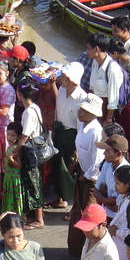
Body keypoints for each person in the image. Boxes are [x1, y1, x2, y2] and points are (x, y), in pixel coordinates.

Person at [50, 62, 87, 209]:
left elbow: (81, 124)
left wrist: (77, 147)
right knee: (57, 167)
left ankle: (72, 205)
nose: (61, 78)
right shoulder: (62, 92)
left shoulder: (82, 98)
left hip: (72, 136)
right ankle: (59, 198)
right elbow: (58, 112)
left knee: (68, 170)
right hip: (60, 133)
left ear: (72, 79)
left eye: (64, 76)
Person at [11, 80, 46, 229]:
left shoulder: (28, 112)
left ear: (20, 94)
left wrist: (15, 150)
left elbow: (25, 135)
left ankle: (39, 219)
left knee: (33, 184)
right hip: (36, 149)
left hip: (30, 151)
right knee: (34, 182)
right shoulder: (35, 108)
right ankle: (37, 214)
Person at [93, 133, 130, 221]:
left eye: (107, 151)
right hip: (105, 214)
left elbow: (117, 206)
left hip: (120, 220)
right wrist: (107, 200)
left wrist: (103, 199)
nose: (104, 153)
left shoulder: (126, 172)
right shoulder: (107, 164)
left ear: (118, 153)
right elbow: (95, 190)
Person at [0, 60, 16, 153]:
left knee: (5, 152)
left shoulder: (8, 89)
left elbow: (4, 111)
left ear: (7, 73)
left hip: (5, 126)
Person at [1, 122, 24, 214]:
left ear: (18, 137)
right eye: (8, 134)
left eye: (13, 135)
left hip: (14, 178)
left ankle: (18, 215)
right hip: (8, 177)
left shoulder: (15, 149)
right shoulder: (9, 147)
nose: (9, 137)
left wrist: (11, 159)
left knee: (15, 197)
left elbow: (19, 165)